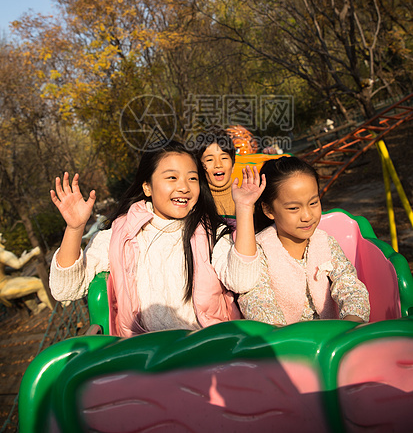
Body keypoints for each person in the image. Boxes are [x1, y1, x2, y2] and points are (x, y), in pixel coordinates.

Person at [49, 141, 257, 337]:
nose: (184, 187)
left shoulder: (211, 232)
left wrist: (245, 209)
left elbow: (243, 280)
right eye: (172, 178)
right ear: (147, 187)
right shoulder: (122, 234)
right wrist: (75, 228)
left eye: (192, 178)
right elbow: (65, 290)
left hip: (208, 351)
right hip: (146, 358)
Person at [224, 157, 370, 326]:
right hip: (286, 344)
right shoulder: (260, 250)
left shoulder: (325, 243)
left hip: (334, 338)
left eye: (313, 203)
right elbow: (258, 300)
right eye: (294, 208)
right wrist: (281, 336)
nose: (307, 216)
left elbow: (350, 285)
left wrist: (352, 322)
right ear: (269, 210)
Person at [0, 234, 53, 311]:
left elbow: (10, 267)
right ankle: (56, 307)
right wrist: (33, 253)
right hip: (4, 288)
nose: (1, 234)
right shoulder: (1, 253)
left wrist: (22, 259)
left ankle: (36, 309)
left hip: (5, 285)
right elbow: (17, 264)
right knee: (40, 284)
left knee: (29, 285)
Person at [196, 128, 236, 217]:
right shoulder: (194, 201)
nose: (218, 165)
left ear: (233, 166)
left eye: (224, 158)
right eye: (209, 159)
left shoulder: (246, 199)